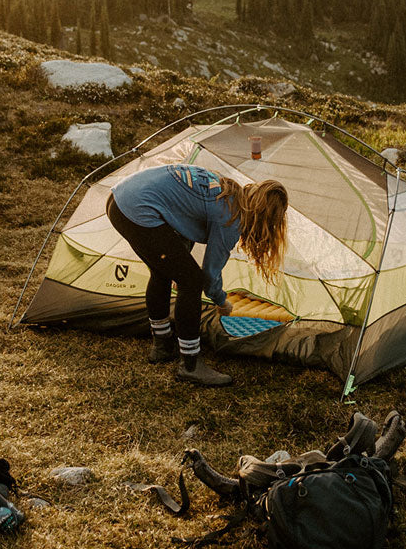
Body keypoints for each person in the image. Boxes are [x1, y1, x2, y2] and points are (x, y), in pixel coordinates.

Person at [106, 164, 288, 386]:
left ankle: (162, 346)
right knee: (191, 281)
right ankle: (191, 365)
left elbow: (182, 221)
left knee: (162, 272)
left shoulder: (225, 191)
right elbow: (210, 274)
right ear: (266, 218)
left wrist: (178, 264)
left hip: (120, 198)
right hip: (137, 207)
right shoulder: (231, 216)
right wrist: (221, 301)